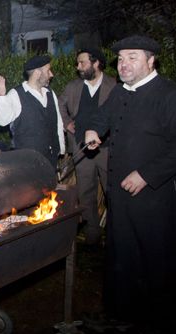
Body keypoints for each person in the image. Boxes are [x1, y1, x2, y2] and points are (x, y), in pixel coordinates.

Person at [84, 35, 176, 334]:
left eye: (132, 57)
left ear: (151, 61)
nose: (124, 64)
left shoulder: (174, 97)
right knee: (123, 256)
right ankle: (121, 313)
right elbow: (101, 117)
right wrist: (93, 130)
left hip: (158, 199)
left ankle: (161, 327)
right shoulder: (120, 92)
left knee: (157, 261)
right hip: (121, 197)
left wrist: (147, 175)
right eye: (121, 58)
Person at [58, 48, 117, 245]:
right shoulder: (73, 86)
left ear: (96, 63)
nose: (78, 67)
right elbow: (60, 105)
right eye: (78, 63)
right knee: (85, 191)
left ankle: (116, 232)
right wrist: (67, 123)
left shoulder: (114, 86)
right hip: (81, 147)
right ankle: (92, 231)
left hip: (106, 148)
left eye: (82, 63)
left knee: (113, 189)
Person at [0, 55, 65, 166]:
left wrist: (61, 148)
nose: (51, 74)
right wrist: (1, 97)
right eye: (48, 70)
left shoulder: (50, 93)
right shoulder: (16, 94)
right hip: (27, 163)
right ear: (37, 73)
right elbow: (2, 121)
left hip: (51, 159)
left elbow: (58, 123)